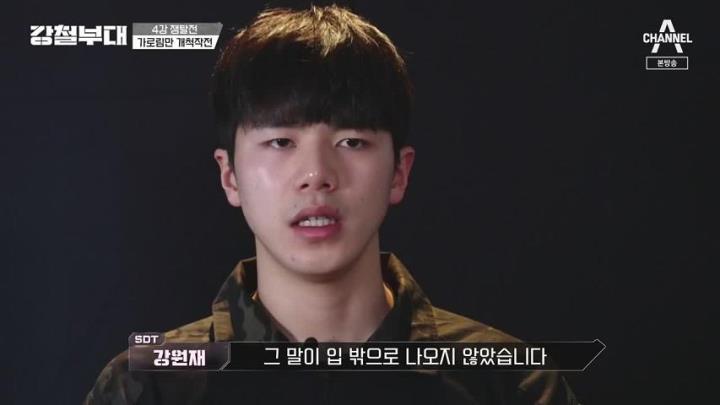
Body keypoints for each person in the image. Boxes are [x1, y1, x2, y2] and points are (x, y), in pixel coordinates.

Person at [85, 5, 579, 404]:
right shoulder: (148, 387)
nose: (317, 174)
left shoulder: (507, 384)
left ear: (399, 172)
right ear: (229, 176)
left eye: (352, 141)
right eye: (281, 142)